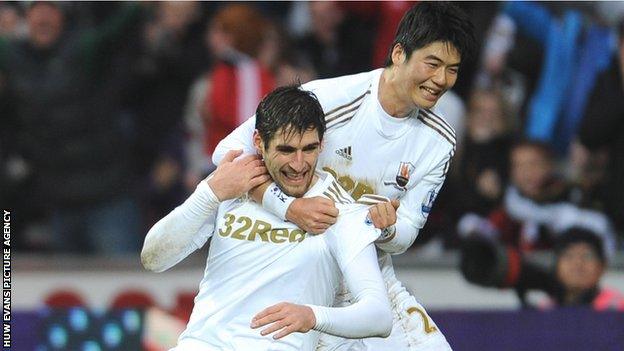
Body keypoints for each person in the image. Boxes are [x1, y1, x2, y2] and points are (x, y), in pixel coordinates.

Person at [212, 2, 476, 350]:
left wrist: (389, 227)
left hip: (366, 279)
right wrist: (288, 208)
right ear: (399, 53)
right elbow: (226, 154)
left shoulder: (439, 140)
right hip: (295, 269)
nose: (441, 80)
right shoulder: (329, 99)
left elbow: (408, 229)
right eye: (433, 64)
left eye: (452, 70)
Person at [141, 86, 392, 350]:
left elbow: (379, 315)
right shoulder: (231, 185)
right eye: (286, 150)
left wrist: (312, 316)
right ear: (259, 142)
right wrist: (210, 193)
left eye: (309, 149)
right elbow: (153, 257)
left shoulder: (341, 210)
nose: (298, 164)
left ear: (323, 144)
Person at [461, 227, 624, 310]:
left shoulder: (618, 307)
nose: (577, 264)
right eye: (568, 256)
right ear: (557, 264)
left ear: (602, 266)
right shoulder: (545, 309)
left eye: (587, 256)